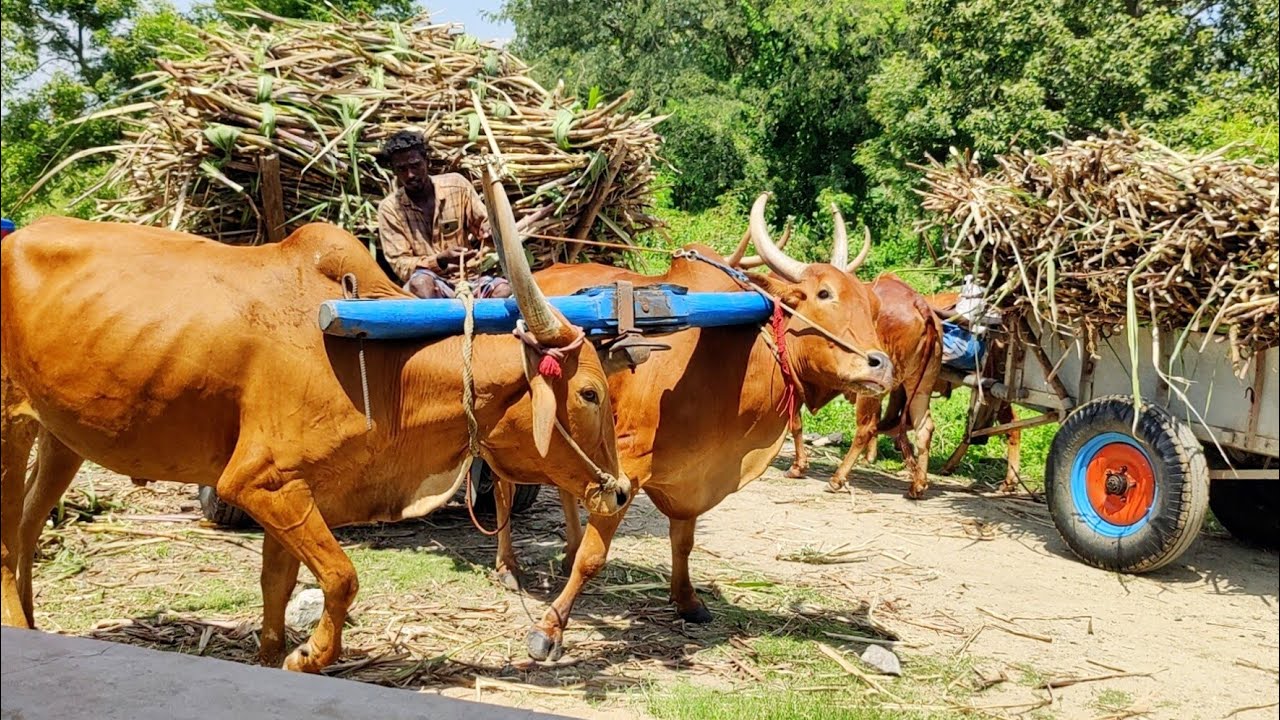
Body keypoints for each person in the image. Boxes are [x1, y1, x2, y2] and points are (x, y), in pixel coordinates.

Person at [376, 129, 511, 299]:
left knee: (503, 290)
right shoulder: (389, 209)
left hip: (468, 280)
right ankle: (435, 324)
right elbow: (401, 265)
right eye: (402, 169)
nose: (410, 175)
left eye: (415, 165)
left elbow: (485, 226)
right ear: (394, 171)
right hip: (426, 283)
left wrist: (490, 230)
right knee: (421, 283)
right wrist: (440, 260)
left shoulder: (457, 186)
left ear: (427, 162)